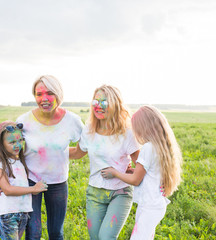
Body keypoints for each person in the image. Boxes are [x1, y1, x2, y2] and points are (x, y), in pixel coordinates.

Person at [16, 75, 84, 240]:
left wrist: (59, 153)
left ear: (58, 95)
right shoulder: (24, 121)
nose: (44, 99)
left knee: (56, 233)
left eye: (49, 93)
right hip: (31, 182)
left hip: (58, 183)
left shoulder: (72, 121)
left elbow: (84, 148)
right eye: (39, 94)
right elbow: (10, 151)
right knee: (33, 234)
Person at [101, 106, 183, 240]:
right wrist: (130, 170)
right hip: (155, 205)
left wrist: (115, 173)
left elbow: (135, 180)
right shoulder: (160, 147)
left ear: (143, 128)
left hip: (149, 206)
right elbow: (150, 174)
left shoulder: (148, 148)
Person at [69, 85, 140, 240]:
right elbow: (77, 153)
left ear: (115, 104)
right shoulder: (89, 129)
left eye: (104, 102)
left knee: (106, 238)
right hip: (94, 193)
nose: (98, 106)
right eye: (96, 101)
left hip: (120, 193)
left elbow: (141, 164)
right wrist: (47, 152)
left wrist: (129, 173)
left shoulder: (127, 132)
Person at [0, 121, 48, 240]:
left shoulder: (19, 161)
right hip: (8, 214)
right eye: (12, 142)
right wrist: (33, 188)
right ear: (1, 144)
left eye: (20, 140)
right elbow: (7, 190)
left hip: (23, 212)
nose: (18, 145)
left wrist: (34, 190)